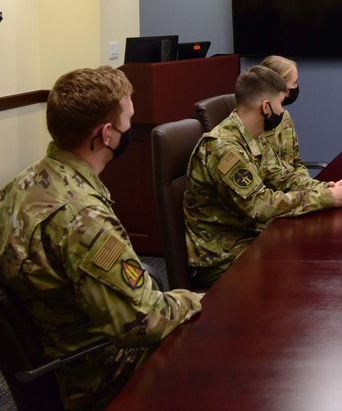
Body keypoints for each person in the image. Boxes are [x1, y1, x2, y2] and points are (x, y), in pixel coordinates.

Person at [0, 67, 202, 410]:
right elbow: (143, 323)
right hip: (95, 374)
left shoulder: (22, 183)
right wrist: (195, 300)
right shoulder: (83, 218)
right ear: (107, 134)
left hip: (60, 346)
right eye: (128, 120)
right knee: (213, 339)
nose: (130, 128)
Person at [184, 66, 342, 287]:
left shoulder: (253, 135)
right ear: (265, 106)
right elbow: (260, 205)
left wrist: (322, 189)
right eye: (281, 103)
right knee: (301, 273)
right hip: (222, 256)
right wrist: (324, 199)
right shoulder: (224, 149)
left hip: (251, 237)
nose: (282, 111)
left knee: (313, 253)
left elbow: (282, 176)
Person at [259, 54, 333, 191]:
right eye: (294, 83)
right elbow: (275, 179)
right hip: (276, 197)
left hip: (294, 191)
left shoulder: (284, 116)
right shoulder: (256, 124)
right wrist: (320, 191)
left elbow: (296, 162)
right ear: (278, 87)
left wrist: (313, 186)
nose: (296, 87)